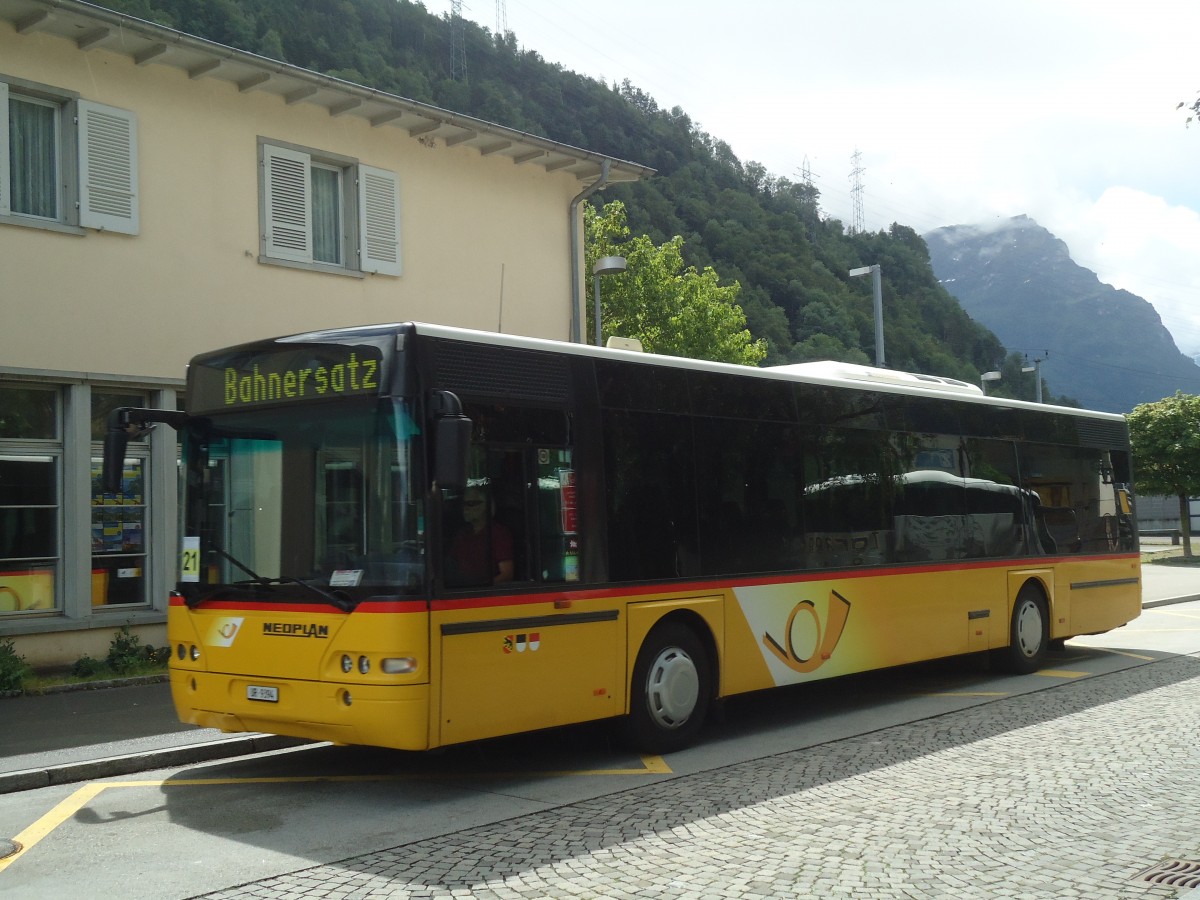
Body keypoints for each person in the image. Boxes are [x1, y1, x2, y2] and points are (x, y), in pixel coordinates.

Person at [446, 486, 514, 585]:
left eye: (471, 504)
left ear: (486, 506)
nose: (465, 509)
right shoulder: (463, 533)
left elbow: (507, 575)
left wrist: (480, 588)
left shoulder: (498, 534)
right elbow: (450, 564)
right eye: (463, 504)